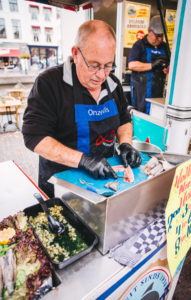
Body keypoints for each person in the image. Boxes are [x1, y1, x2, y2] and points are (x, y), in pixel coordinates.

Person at [22, 20, 141, 198]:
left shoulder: (113, 84)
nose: (101, 75)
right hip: (62, 186)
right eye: (94, 65)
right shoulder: (49, 84)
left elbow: (124, 119)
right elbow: (34, 137)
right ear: (76, 54)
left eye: (108, 65)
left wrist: (125, 144)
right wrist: (83, 160)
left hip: (106, 182)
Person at [128, 15, 170, 114]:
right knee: (141, 115)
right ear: (149, 31)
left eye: (162, 36)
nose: (160, 39)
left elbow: (170, 63)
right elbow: (132, 65)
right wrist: (152, 65)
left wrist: (167, 68)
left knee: (155, 114)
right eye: (157, 35)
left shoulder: (164, 47)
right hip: (141, 90)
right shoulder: (139, 45)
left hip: (158, 91)